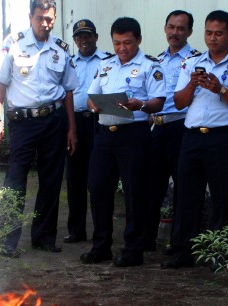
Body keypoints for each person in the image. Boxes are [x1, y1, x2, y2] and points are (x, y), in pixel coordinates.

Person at [162, 10, 228, 269]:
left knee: (224, 197)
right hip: (192, 137)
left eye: (218, 33)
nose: (212, 38)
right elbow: (179, 102)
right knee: (187, 196)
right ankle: (184, 251)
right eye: (208, 33)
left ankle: (220, 253)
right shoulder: (191, 63)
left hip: (223, 139)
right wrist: (192, 85)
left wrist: (221, 89)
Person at [0, 0, 78, 257]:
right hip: (23, 123)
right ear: (30, 17)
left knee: (51, 180)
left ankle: (44, 237)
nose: (45, 24)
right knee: (15, 181)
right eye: (40, 18)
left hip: (53, 120)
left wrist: (71, 129)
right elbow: (0, 86)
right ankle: (6, 240)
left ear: (55, 17)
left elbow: (69, 91)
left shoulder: (60, 50)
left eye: (49, 19)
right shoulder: (13, 46)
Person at [81, 17, 166, 267]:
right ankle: (101, 246)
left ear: (138, 40)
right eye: (117, 43)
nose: (122, 48)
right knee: (98, 189)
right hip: (105, 134)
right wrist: (94, 104)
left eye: (127, 42)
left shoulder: (151, 66)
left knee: (134, 192)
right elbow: (90, 97)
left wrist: (139, 104)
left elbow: (159, 101)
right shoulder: (105, 65)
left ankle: (133, 248)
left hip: (135, 134)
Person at [145, 10, 199, 252]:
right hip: (157, 126)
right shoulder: (157, 61)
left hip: (181, 127)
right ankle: (146, 239)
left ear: (189, 32)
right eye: (171, 27)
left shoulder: (197, 61)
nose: (175, 32)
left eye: (180, 28)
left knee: (183, 188)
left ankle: (179, 243)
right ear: (165, 29)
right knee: (152, 186)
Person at [63, 19, 110, 244]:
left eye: (88, 35)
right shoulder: (68, 62)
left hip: (99, 123)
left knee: (99, 180)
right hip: (74, 124)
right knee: (75, 179)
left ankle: (100, 231)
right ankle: (76, 230)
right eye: (79, 36)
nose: (84, 40)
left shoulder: (108, 61)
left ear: (96, 37)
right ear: (75, 40)